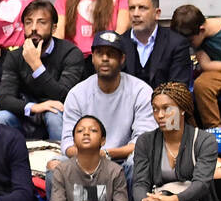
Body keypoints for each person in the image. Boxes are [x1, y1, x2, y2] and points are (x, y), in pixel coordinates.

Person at [60, 31, 158, 176]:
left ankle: (129, 200)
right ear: (92, 58)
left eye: (111, 54)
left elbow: (143, 142)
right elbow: (68, 142)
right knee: (54, 165)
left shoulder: (140, 91)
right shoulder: (77, 93)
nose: (105, 58)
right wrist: (91, 156)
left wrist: (106, 153)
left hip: (124, 159)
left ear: (122, 59)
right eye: (100, 53)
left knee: (136, 161)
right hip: (85, 159)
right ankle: (72, 199)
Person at [0, 0, 87, 141]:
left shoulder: (70, 53)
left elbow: (65, 96)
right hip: (26, 115)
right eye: (29, 22)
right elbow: (4, 99)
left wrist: (36, 66)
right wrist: (35, 107)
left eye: (41, 22)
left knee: (53, 115)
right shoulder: (14, 56)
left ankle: (62, 161)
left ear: (54, 28)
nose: (34, 28)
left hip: (58, 115)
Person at [45, 114, 134, 201]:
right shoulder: (62, 170)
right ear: (73, 141)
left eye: (93, 130)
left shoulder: (115, 171)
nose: (86, 133)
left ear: (103, 140)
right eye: (80, 131)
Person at [123, 0, 194, 87]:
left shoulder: (176, 43)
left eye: (142, 8)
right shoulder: (119, 44)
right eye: (132, 8)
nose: (135, 14)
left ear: (157, 13)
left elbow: (179, 89)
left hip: (165, 102)